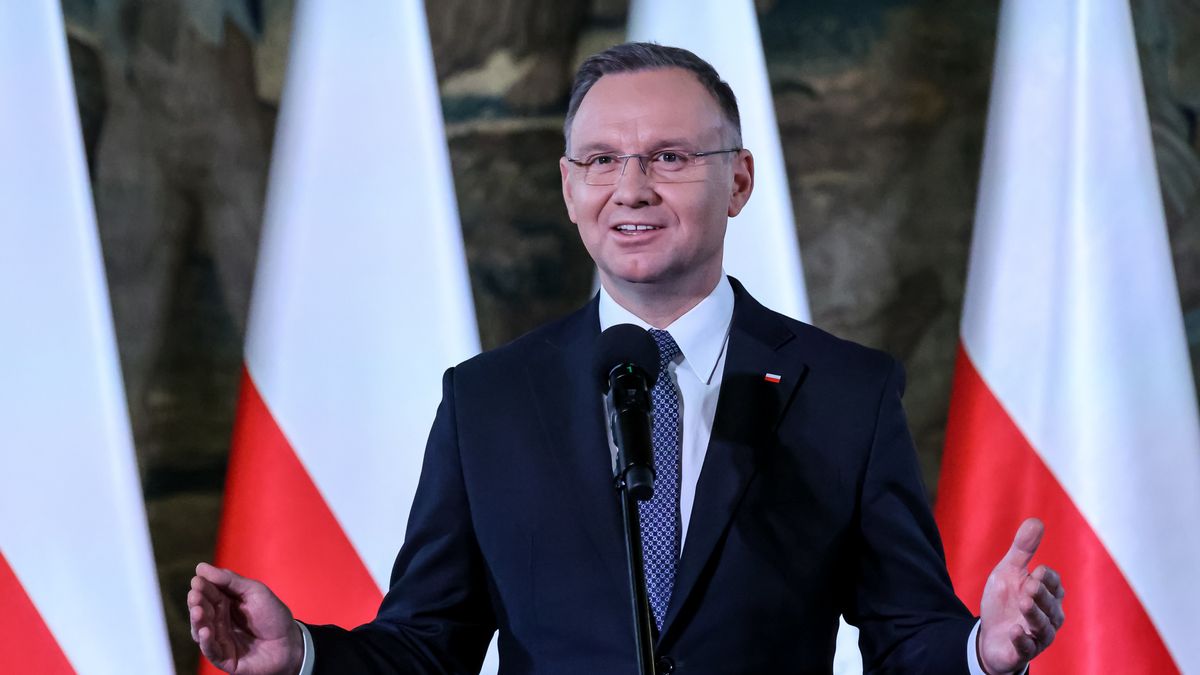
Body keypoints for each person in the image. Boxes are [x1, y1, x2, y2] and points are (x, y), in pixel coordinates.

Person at [188, 43, 1064, 674]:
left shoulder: (845, 392)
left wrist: (980, 650)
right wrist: (300, 650)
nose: (631, 187)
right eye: (601, 159)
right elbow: (428, 642)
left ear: (740, 181)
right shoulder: (488, 400)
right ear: (570, 188)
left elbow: (905, 630)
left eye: (670, 157)